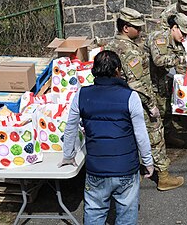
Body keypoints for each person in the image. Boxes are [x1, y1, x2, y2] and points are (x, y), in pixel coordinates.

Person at [58, 50, 154, 224]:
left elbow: (70, 128)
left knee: (94, 213)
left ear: (94, 70)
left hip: (96, 168)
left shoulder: (81, 95)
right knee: (126, 216)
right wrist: (148, 161)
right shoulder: (130, 96)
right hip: (126, 168)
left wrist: (68, 156)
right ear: (118, 70)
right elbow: (141, 133)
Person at [105, 7, 184, 191]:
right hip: (137, 100)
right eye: (137, 28)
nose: (140, 31)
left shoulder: (110, 46)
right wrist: (151, 105)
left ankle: (133, 172)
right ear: (126, 28)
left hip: (118, 100)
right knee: (155, 133)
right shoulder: (130, 52)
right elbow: (137, 83)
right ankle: (163, 176)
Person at [144, 13, 187, 147]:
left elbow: (181, 63)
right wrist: (183, 59)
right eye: (182, 33)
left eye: (186, 34)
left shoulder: (177, 43)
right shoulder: (160, 38)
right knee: (154, 118)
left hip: (163, 83)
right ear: (174, 27)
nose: (184, 37)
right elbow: (159, 61)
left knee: (166, 112)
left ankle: (167, 138)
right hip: (149, 84)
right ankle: (155, 147)